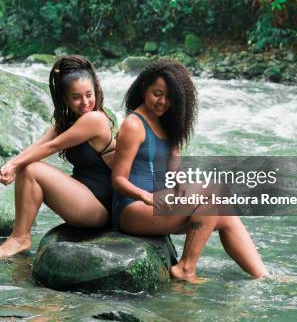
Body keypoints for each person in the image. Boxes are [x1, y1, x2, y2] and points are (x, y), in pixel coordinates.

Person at [111, 59, 267, 282]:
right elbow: (117, 179)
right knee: (214, 190)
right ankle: (185, 269)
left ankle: (263, 277)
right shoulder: (133, 125)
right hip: (133, 209)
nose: (162, 101)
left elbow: (174, 167)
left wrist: (181, 182)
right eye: (157, 93)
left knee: (226, 214)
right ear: (144, 88)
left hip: (161, 202)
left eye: (169, 97)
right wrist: (144, 196)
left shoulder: (169, 123)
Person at [0, 55, 115, 258]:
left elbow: (52, 147)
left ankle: (20, 237)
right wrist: (11, 163)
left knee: (31, 168)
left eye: (88, 94)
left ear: (96, 91)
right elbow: (39, 145)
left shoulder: (95, 119)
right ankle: (19, 236)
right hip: (85, 197)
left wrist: (16, 165)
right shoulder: (67, 121)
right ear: (65, 98)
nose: (85, 102)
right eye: (76, 97)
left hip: (102, 207)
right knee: (27, 166)